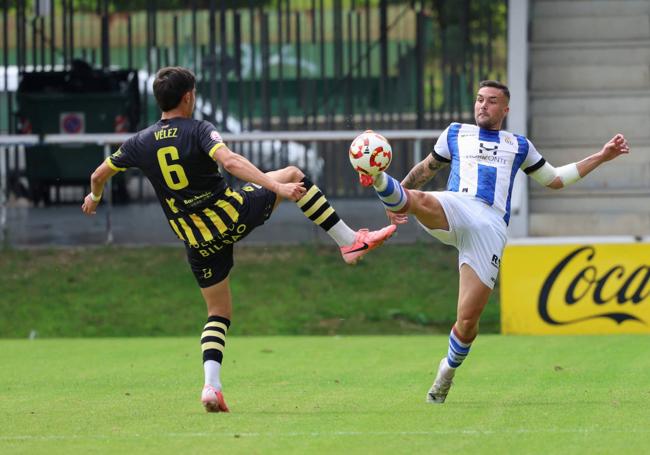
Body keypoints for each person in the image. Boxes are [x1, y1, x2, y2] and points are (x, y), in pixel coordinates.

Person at [81, 66, 396, 413]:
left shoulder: (139, 142)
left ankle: (210, 387)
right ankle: (349, 242)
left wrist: (94, 198)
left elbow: (99, 174)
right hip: (228, 214)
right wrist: (277, 188)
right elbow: (229, 161)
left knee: (218, 311)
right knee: (291, 174)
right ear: (188, 97)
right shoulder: (199, 129)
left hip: (196, 241)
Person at [358, 80, 630, 404]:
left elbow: (555, 179)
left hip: (489, 227)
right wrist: (397, 198)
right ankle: (375, 177)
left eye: (491, 101)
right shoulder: (455, 133)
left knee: (468, 320)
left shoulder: (519, 145)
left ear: (505, 109)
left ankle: (447, 371)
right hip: (457, 206)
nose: (482, 106)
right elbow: (425, 170)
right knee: (419, 199)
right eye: (479, 99)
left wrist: (601, 156)